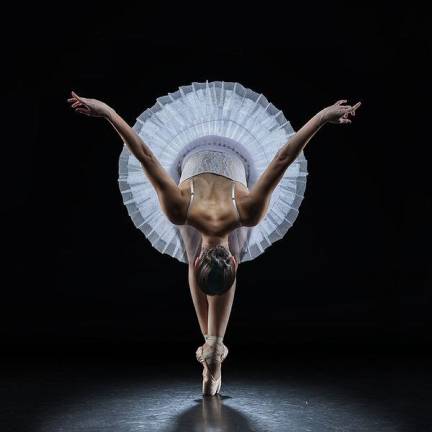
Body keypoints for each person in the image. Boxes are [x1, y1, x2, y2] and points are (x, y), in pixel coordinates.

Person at [68, 81, 361, 396]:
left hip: (212, 150)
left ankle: (212, 347)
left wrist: (321, 117)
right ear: (230, 260)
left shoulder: (248, 212)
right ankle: (214, 346)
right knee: (187, 233)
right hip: (209, 159)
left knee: (190, 240)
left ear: (231, 260)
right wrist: (108, 113)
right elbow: (146, 156)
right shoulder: (179, 209)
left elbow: (282, 157)